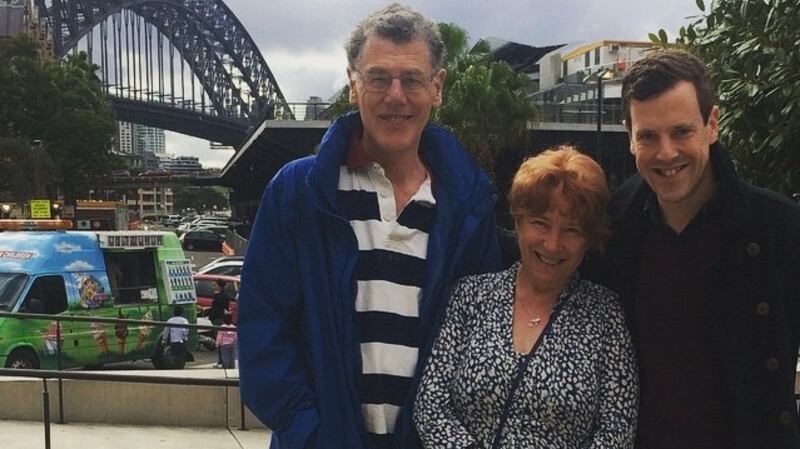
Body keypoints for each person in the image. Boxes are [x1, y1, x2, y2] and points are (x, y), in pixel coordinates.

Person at [236, 4, 502, 449]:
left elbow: (480, 346)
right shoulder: (298, 193)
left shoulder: (468, 209)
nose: (395, 95)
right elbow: (263, 334)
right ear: (352, 84)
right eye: (378, 78)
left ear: (437, 87)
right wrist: (310, 434)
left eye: (412, 79)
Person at [585, 49, 800, 448]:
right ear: (629, 137)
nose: (666, 153)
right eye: (648, 136)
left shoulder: (780, 228)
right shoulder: (611, 230)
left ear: (712, 124)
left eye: (681, 131)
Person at [415, 147, 638, 448]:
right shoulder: (470, 297)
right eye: (541, 223)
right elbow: (431, 404)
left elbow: (617, 429)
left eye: (572, 230)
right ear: (518, 222)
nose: (553, 244)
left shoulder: (605, 314)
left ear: (589, 239)